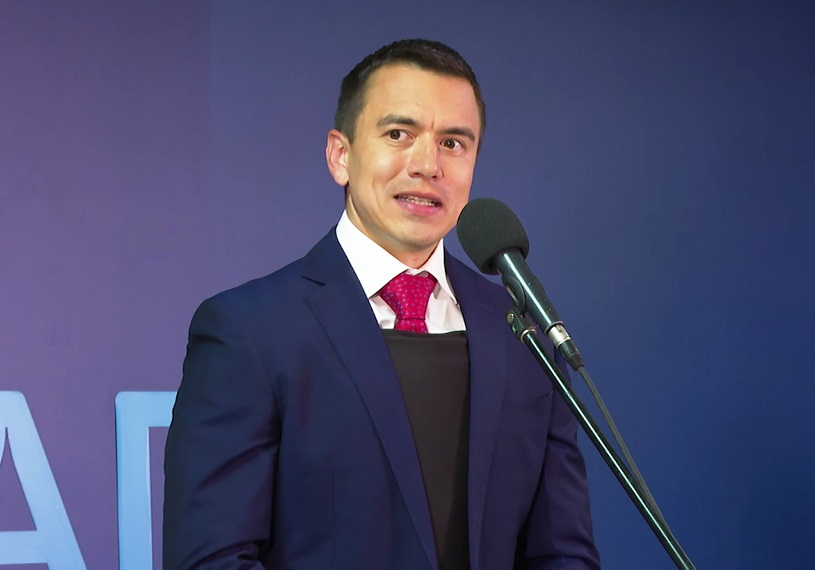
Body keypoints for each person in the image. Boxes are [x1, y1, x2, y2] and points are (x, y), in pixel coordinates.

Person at [163, 39, 600, 570]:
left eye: (453, 143)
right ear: (340, 156)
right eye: (399, 134)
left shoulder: (524, 335)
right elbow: (212, 559)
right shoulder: (250, 331)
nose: (428, 165)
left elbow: (562, 553)